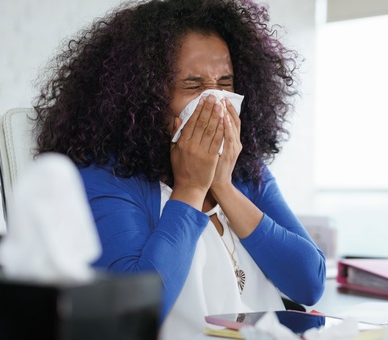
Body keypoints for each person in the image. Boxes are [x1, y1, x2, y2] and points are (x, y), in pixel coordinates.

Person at [33, 0, 326, 337]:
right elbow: (129, 318)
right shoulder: (105, 178)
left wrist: (224, 187)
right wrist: (190, 188)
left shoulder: (245, 171)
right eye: (194, 86)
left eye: (225, 83)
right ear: (143, 97)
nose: (216, 102)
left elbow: (309, 284)